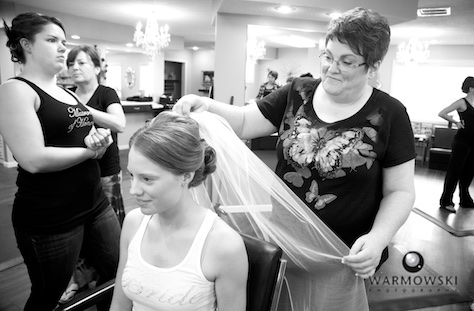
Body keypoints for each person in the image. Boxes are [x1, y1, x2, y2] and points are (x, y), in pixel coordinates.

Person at [174, 6, 416, 281]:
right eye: (327, 56)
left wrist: (378, 239)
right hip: (286, 242)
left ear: (372, 66)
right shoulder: (297, 92)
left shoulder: (391, 114)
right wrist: (205, 104)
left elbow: (400, 191)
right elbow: (243, 122)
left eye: (347, 62)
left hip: (349, 255)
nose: (331, 68)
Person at [0, 13, 120, 310]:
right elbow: (34, 160)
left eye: (62, 41)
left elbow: (95, 146)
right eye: (52, 40)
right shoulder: (15, 90)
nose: (62, 48)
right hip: (50, 216)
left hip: (95, 204)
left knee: (117, 273)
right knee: (48, 293)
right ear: (26, 45)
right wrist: (89, 151)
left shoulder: (68, 93)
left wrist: (100, 143)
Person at [110, 112, 248, 311]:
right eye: (132, 175)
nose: (133, 190)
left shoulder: (224, 245)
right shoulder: (133, 222)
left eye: (147, 179)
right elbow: (120, 305)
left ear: (185, 176)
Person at [67, 45, 126, 224]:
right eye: (70, 63)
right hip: (76, 169)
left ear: (97, 68)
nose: (74, 67)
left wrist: (82, 108)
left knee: (110, 220)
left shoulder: (106, 93)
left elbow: (119, 124)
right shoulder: (66, 94)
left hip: (105, 171)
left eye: (81, 62)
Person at [438, 76, 474, 213]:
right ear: (471, 88)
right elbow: (442, 113)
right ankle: (446, 200)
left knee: (469, 172)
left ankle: (465, 199)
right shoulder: (462, 102)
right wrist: (456, 123)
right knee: (455, 171)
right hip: (462, 142)